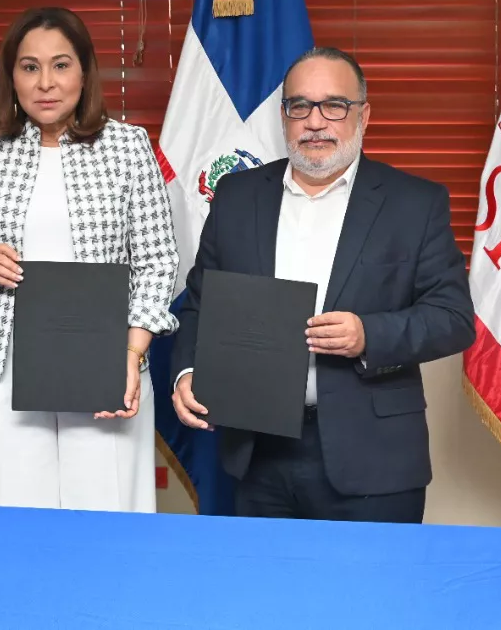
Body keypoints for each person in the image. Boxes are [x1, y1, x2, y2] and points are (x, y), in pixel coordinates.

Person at [170, 46, 475, 523]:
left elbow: (454, 318)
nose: (316, 122)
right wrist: (187, 372)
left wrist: (368, 335)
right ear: (283, 116)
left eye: (334, 105)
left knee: (372, 596)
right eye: (300, 106)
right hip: (257, 451)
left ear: (363, 115)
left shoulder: (414, 203)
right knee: (265, 594)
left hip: (374, 460)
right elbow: (200, 305)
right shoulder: (237, 196)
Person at [0, 6, 179, 513]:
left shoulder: (127, 146)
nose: (45, 83)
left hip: (106, 359)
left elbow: (157, 260)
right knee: (15, 520)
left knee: (105, 515)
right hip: (4, 359)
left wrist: (130, 355)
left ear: (85, 71)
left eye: (61, 65)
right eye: (29, 67)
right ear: (11, 76)